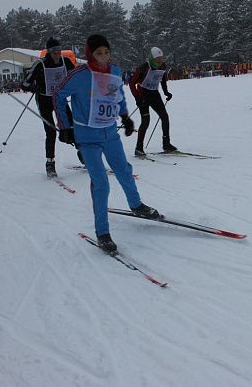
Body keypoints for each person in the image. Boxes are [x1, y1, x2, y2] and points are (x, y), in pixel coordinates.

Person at [53, 34, 160, 253]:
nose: (103, 57)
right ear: (89, 54)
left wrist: (125, 117)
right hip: (87, 137)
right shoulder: (79, 75)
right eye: (98, 53)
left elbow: (118, 95)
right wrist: (64, 126)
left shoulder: (115, 71)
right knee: (101, 183)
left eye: (106, 52)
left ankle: (136, 204)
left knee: (124, 170)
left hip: (110, 133)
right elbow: (58, 94)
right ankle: (103, 232)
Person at [22, 37, 79, 178]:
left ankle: (83, 153)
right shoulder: (40, 65)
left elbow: (77, 76)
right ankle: (50, 163)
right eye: (54, 52)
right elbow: (25, 84)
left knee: (72, 126)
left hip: (59, 100)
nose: (57, 54)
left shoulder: (65, 62)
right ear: (49, 52)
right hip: (44, 101)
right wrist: (35, 87)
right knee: (51, 131)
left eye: (59, 51)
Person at [129, 47, 176, 156]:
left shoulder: (163, 66)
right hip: (143, 95)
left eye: (161, 58)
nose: (160, 61)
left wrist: (166, 92)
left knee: (165, 117)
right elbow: (132, 83)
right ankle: (139, 148)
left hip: (154, 94)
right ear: (152, 58)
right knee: (146, 121)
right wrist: (137, 98)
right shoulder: (143, 67)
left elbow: (163, 79)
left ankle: (166, 144)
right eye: (157, 59)